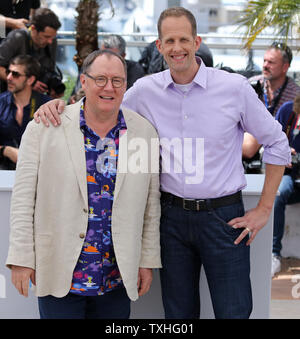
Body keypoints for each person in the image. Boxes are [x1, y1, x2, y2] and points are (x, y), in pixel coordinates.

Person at [33, 7, 290, 319]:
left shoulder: (234, 88)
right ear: (158, 46)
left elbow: (277, 142)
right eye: (169, 40)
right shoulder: (144, 91)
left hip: (223, 219)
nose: (177, 48)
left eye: (184, 39)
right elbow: (100, 105)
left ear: (197, 41)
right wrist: (58, 107)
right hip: (171, 220)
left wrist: (265, 209)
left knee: (234, 311)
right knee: (178, 314)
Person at [6, 49, 161, 319]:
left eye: (117, 81)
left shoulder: (142, 133)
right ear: (84, 81)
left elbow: (150, 207)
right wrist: (21, 259)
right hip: (60, 276)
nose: (109, 87)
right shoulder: (45, 127)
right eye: (100, 79)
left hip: (115, 278)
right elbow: (22, 201)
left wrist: (146, 261)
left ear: (126, 85)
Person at [0, 7, 64, 98]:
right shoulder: (18, 38)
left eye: (52, 38)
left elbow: (50, 69)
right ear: (33, 29)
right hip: (11, 96)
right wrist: (28, 83)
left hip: (37, 97)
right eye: (46, 37)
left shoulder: (51, 41)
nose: (50, 41)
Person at [0, 54, 50, 170]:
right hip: (3, 172)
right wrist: (6, 150)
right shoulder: (1, 102)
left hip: (38, 172)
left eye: (15, 74)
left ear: (30, 80)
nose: (9, 77)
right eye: (8, 72)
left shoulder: (47, 106)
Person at [271, 93, 300, 277]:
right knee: (278, 193)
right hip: (290, 173)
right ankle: (274, 254)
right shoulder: (288, 110)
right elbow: (271, 141)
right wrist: (284, 151)